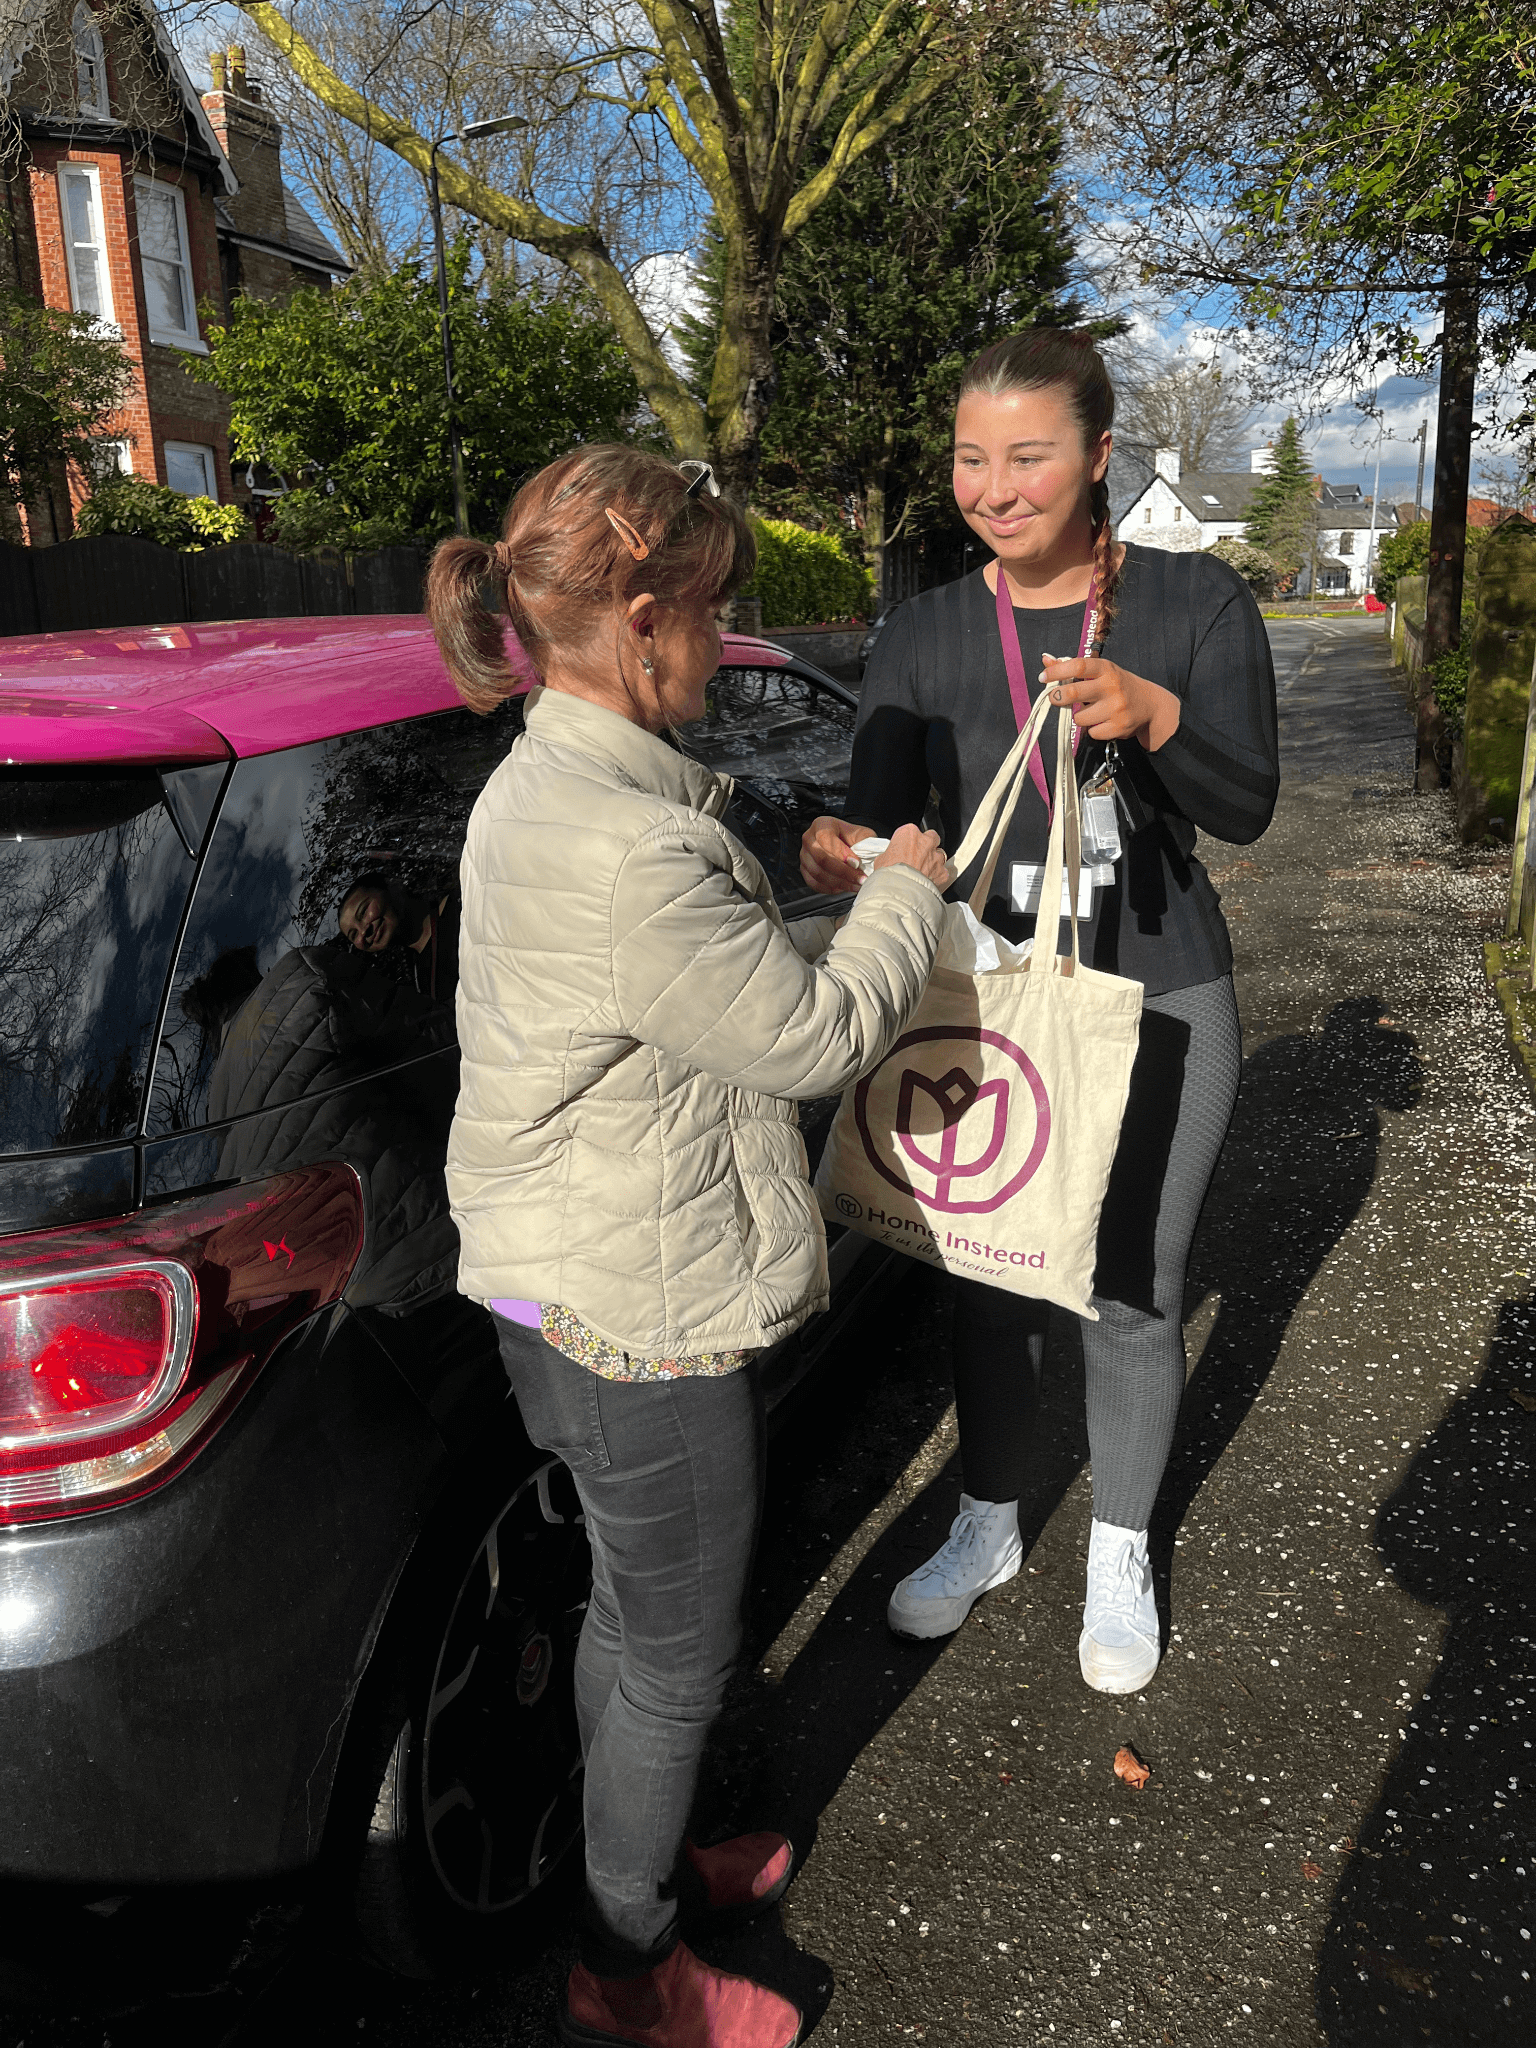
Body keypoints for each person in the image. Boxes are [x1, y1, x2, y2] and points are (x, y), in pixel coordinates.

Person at [425, 444, 950, 2048]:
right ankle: (624, 1968)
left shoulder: (556, 778)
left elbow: (683, 994)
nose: (727, 642)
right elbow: (809, 1042)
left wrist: (807, 893)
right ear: (640, 615)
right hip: (634, 1307)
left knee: (625, 1616)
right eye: (714, 612)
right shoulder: (630, 841)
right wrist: (904, 896)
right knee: (673, 1656)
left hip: (544, 1276)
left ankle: (631, 1866)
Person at [801, 328, 1279, 1695]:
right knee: (981, 1274)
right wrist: (839, 851)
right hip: (989, 1000)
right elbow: (886, 824)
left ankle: (1119, 1544)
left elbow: (1248, 810)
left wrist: (1156, 717)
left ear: (1097, 457)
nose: (994, 487)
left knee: (1133, 1290)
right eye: (971, 457)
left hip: (1163, 993)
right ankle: (992, 1518)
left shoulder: (1193, 604)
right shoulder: (927, 629)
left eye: (1029, 455)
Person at [338, 871, 461, 1001]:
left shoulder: (462, 905)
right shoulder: (420, 985)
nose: (363, 931)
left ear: (392, 885)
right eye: (354, 934)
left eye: (363, 911)